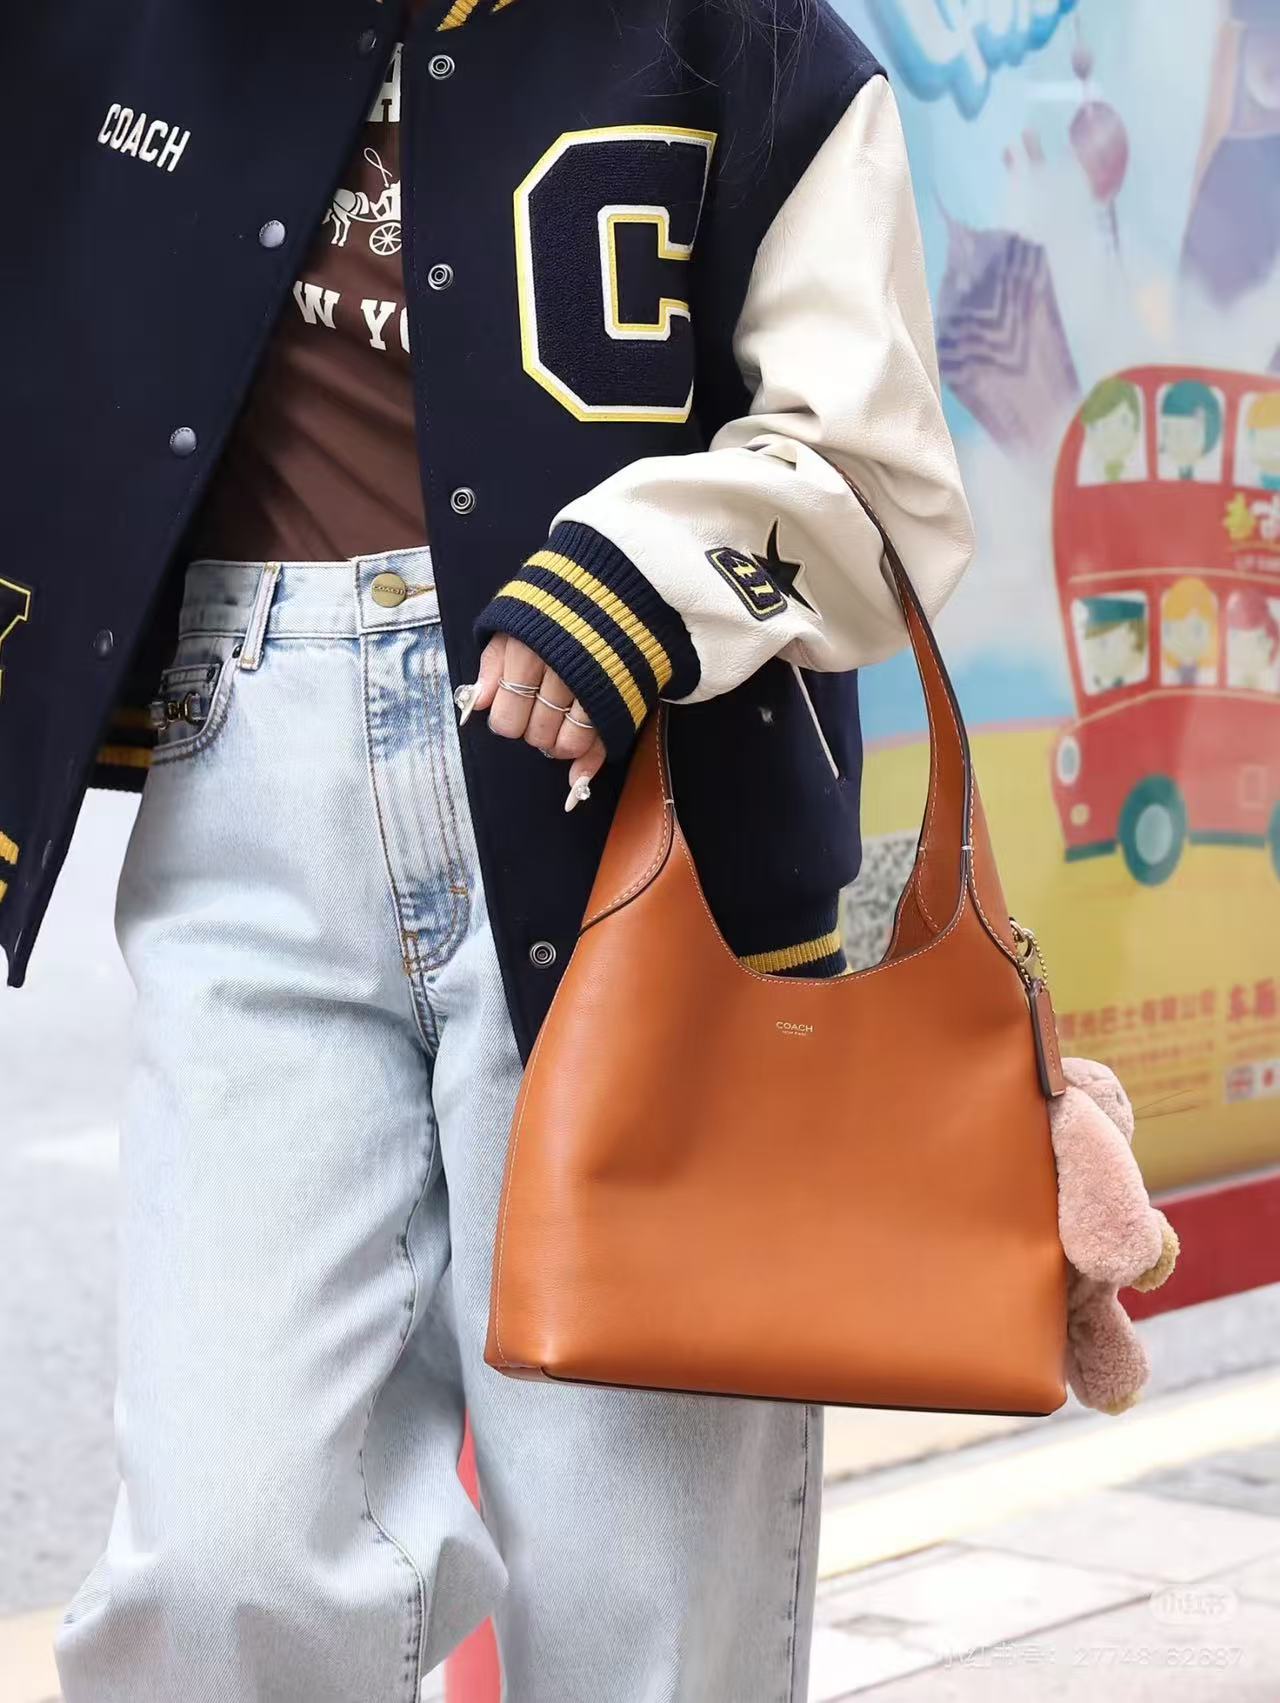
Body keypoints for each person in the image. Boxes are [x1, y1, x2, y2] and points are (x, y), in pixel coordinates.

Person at [1, 1, 974, 1698]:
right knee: (223, 1563)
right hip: (250, 801)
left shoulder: (748, 36)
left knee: (639, 1611)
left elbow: (882, 478)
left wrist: (646, 574)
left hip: (658, 850)